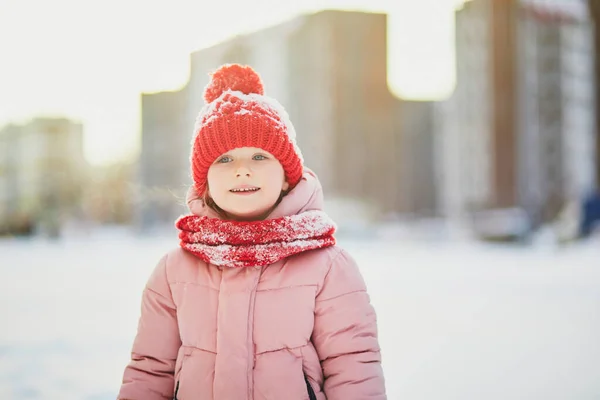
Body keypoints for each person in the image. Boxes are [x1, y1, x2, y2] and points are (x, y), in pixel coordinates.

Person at [118, 64, 386, 400]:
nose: (242, 171)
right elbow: (150, 369)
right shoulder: (174, 270)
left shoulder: (328, 266)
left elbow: (353, 367)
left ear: (288, 176)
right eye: (224, 160)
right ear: (205, 183)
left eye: (259, 156)